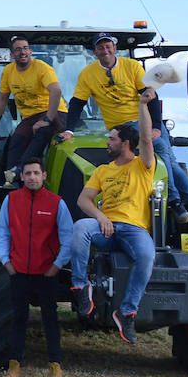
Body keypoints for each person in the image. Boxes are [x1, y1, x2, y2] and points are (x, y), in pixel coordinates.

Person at [60, 32, 188, 224]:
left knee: (165, 157)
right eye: (100, 47)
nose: (105, 50)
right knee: (165, 157)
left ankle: (182, 203)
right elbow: (77, 103)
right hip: (121, 127)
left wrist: (156, 127)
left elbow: (150, 96)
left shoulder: (132, 67)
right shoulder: (88, 74)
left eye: (108, 46)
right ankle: (185, 204)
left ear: (115, 48)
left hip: (143, 120)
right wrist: (70, 130)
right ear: (95, 52)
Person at [69, 90, 159, 344]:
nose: (106, 143)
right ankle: (80, 287)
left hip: (133, 228)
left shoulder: (142, 165)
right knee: (80, 228)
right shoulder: (102, 170)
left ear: (125, 143)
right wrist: (100, 217)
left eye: (111, 139)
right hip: (105, 228)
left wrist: (143, 105)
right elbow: (83, 200)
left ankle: (127, 311)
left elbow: (146, 137)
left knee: (146, 256)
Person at [0, 158, 73, 377]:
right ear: (22, 177)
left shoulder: (56, 203)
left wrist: (57, 265)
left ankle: (55, 370)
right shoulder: (11, 200)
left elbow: (68, 237)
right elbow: (1, 232)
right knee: (17, 320)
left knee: (51, 321)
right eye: (27, 173)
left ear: (44, 176)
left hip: (46, 272)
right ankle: (13, 368)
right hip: (18, 271)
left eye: (36, 173)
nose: (32, 177)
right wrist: (6, 261)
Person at [0, 37, 67, 172]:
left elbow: (56, 90)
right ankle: (10, 180)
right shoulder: (8, 71)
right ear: (12, 55)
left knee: (42, 133)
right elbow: (2, 99)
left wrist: (47, 119)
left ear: (30, 52)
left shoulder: (41, 68)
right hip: (30, 117)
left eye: (25, 48)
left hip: (54, 113)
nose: (22, 52)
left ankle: (20, 170)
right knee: (16, 141)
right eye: (18, 49)